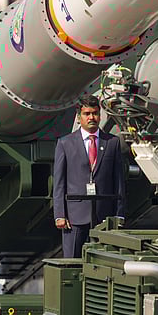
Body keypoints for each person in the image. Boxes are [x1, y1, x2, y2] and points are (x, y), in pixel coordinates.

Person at [53, 95, 126, 258]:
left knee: (104, 261)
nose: (91, 117)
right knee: (72, 260)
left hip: (104, 215)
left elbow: (118, 181)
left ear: (100, 115)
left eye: (95, 113)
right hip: (74, 216)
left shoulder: (112, 142)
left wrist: (119, 213)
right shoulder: (65, 143)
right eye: (87, 114)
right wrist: (60, 214)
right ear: (79, 117)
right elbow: (59, 183)